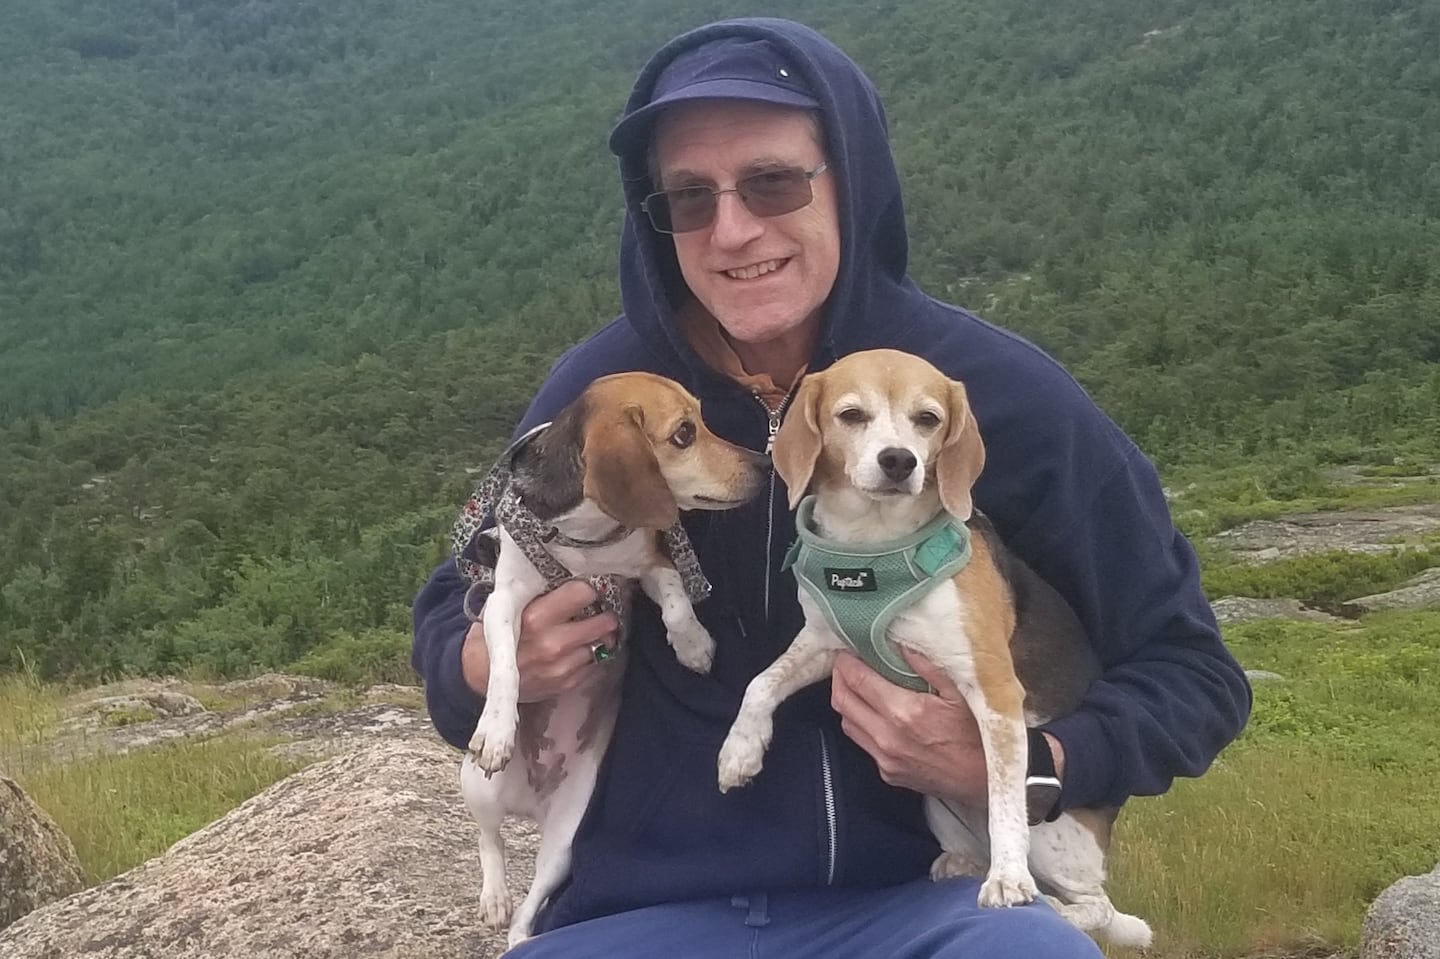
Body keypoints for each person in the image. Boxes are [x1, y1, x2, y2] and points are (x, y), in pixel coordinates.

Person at [412, 17, 1251, 958]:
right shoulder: (612, 397)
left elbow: (1194, 674)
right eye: (688, 197)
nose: (733, 230)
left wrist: (1034, 767)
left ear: (851, 178)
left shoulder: (995, 397)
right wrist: (484, 663)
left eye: (772, 182)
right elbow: (462, 587)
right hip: (637, 909)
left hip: (932, 901)